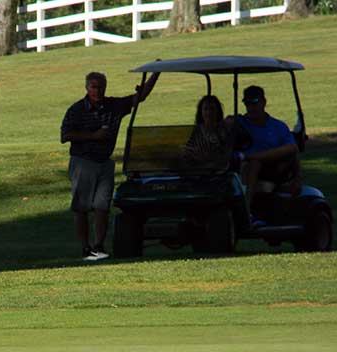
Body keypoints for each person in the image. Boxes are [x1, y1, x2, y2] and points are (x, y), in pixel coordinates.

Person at [61, 70, 160, 261]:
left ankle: (98, 246)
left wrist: (155, 74)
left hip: (104, 162)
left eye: (101, 87)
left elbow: (141, 97)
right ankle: (85, 248)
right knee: (81, 208)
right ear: (87, 87)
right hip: (83, 161)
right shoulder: (76, 110)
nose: (98, 91)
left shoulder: (114, 106)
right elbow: (65, 136)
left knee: (102, 207)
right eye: (94, 87)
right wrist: (93, 136)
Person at [234, 85, 301, 215]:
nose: (250, 107)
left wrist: (297, 178)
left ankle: (246, 209)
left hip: (272, 169)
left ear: (264, 102)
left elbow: (293, 149)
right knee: (250, 164)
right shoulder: (240, 123)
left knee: (256, 162)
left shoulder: (278, 126)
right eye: (247, 103)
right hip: (242, 167)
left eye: (254, 103)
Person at [183, 95, 232, 168]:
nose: (209, 113)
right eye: (205, 109)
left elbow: (223, 154)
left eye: (212, 109)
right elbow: (189, 149)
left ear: (217, 111)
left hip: (217, 168)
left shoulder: (223, 130)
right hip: (197, 168)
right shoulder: (197, 130)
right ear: (201, 111)